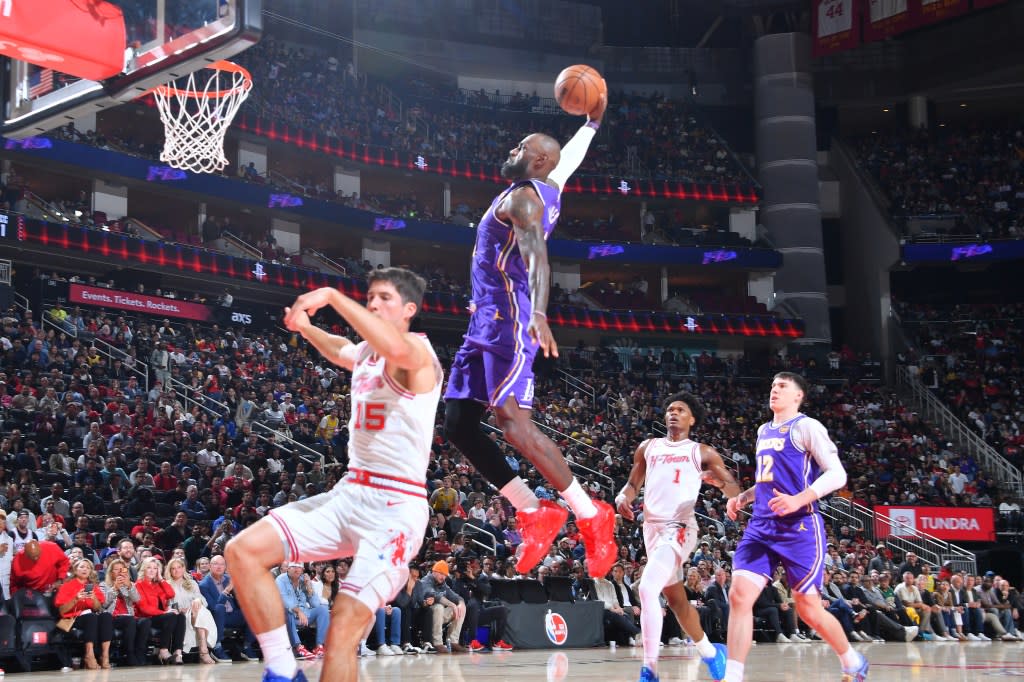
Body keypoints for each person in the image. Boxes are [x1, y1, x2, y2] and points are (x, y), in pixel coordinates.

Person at [226, 267, 443, 682]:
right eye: (370, 297)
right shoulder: (366, 353)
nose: (374, 303)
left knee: (343, 624)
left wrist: (331, 295)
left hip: (395, 511)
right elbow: (339, 347)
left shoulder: (419, 355)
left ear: (409, 310)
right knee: (242, 552)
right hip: (350, 494)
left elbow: (397, 352)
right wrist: (306, 327)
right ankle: (284, 672)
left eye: (384, 299)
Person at [441, 98, 618, 578]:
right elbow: (570, 159)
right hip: (483, 322)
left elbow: (537, 257)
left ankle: (590, 514)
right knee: (457, 421)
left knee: (513, 423)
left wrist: (539, 311)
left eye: (521, 146)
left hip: (508, 320)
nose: (512, 148)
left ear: (537, 160)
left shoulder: (522, 199)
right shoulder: (548, 184)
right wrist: (592, 124)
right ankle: (532, 510)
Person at [724, 372, 868, 682]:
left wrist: (799, 499)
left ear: (798, 396)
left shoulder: (807, 426)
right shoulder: (763, 430)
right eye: (772, 385)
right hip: (762, 526)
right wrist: (744, 497)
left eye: (782, 387)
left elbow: (837, 475)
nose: (774, 390)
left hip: (799, 527)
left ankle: (852, 661)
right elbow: (768, 479)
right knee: (738, 596)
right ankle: (732, 676)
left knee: (808, 609)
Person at [615, 392, 735, 682]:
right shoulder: (649, 447)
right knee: (677, 600)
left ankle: (650, 669)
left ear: (691, 419)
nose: (673, 412)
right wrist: (623, 497)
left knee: (646, 589)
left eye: (680, 409)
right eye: (670, 408)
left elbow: (733, 489)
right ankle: (710, 652)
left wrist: (720, 484)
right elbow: (633, 482)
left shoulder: (702, 452)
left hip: (680, 527)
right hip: (651, 528)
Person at [55, 558, 112, 669]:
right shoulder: (66, 586)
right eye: (82, 567)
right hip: (73, 618)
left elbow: (97, 608)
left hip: (90, 617)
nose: (85, 569)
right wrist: (75, 599)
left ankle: (105, 655)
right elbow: (62, 611)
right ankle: (89, 655)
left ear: (91, 571)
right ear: (75, 570)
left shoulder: (93, 587)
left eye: (88, 567)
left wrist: (94, 597)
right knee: (90, 617)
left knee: (106, 616)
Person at [165, 557, 220, 663]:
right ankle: (204, 652)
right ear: (170, 570)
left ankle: (203, 650)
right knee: (201, 613)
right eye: (173, 568)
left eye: (179, 567)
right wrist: (180, 609)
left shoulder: (192, 583)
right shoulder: (166, 584)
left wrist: (198, 600)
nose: (177, 570)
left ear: (183, 568)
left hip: (194, 612)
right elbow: (166, 605)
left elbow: (202, 599)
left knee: (200, 610)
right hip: (179, 615)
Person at [135, 556, 187, 665]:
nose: (152, 570)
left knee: (181, 616)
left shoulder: (158, 584)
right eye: (149, 567)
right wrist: (165, 612)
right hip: (147, 617)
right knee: (171, 615)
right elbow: (144, 608)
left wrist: (161, 579)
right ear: (144, 569)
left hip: (163, 617)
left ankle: (178, 652)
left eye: (155, 568)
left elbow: (171, 594)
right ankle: (163, 650)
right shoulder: (138, 585)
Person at [101, 557, 152, 666]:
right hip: (112, 618)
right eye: (116, 569)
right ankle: (129, 653)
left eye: (122, 569)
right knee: (130, 620)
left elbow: (137, 599)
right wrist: (114, 588)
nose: (119, 572)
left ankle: (140, 652)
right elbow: (103, 604)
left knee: (145, 622)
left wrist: (129, 585)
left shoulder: (130, 584)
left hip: (129, 617)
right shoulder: (103, 585)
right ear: (110, 572)